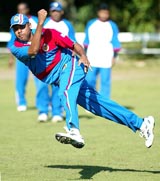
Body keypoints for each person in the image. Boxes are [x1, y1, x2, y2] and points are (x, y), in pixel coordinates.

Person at [9, 9, 155, 149]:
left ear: (29, 25)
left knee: (65, 93)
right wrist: (40, 24)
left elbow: (73, 45)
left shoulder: (50, 33)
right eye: (15, 28)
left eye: (22, 26)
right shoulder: (16, 47)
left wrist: (83, 56)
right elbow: (33, 50)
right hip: (59, 79)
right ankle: (142, 124)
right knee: (100, 107)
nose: (19, 31)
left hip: (71, 66)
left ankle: (74, 130)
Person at [7, 2, 50, 122]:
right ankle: (21, 102)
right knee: (21, 80)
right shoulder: (15, 24)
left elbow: (44, 35)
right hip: (23, 55)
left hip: (38, 56)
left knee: (42, 82)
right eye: (19, 9)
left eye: (23, 9)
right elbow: (13, 42)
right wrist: (11, 58)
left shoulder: (36, 20)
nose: (21, 11)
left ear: (27, 9)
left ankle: (43, 107)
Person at [36, 1, 77, 123]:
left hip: (61, 61)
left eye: (57, 11)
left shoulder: (67, 25)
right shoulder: (45, 23)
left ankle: (56, 112)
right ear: (50, 12)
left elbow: (72, 41)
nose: (55, 13)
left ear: (62, 12)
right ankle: (43, 111)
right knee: (42, 86)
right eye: (53, 11)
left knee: (57, 87)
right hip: (44, 60)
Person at [84, 3, 121, 99]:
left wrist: (115, 56)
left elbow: (115, 41)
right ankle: (91, 102)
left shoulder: (112, 25)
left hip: (106, 58)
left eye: (106, 13)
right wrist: (84, 56)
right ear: (98, 13)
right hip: (92, 57)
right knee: (90, 80)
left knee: (105, 82)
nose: (104, 15)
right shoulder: (91, 24)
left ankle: (104, 104)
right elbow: (86, 41)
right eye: (102, 13)